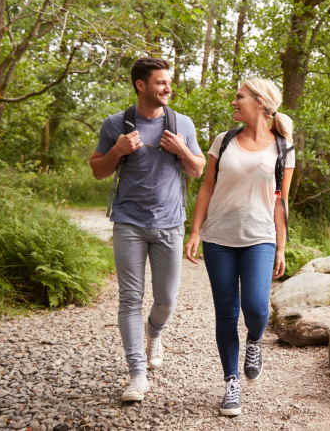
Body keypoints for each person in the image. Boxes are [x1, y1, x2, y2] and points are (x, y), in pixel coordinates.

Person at [89, 58, 205, 402]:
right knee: (129, 299)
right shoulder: (116, 124)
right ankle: (137, 374)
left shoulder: (181, 123)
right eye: (160, 83)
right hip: (128, 223)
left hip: (170, 224)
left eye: (168, 82)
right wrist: (118, 150)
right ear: (141, 85)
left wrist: (181, 148)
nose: (168, 88)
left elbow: (197, 170)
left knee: (166, 299)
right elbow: (98, 170)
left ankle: (155, 333)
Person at [185, 77, 295, 416]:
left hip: (260, 237)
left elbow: (281, 200)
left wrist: (280, 247)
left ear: (260, 103)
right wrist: (195, 231)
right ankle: (231, 382)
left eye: (239, 97)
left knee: (257, 307)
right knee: (227, 311)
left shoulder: (284, 147)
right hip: (219, 238)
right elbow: (206, 188)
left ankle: (254, 342)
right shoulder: (224, 140)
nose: (234, 102)